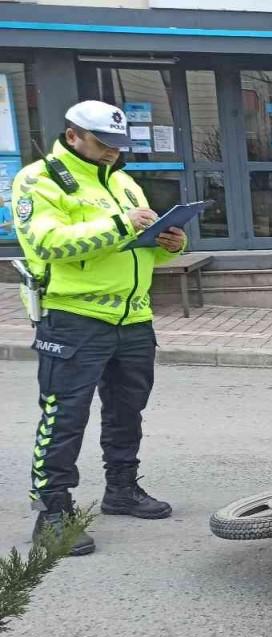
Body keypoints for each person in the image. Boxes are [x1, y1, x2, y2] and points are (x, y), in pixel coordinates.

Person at [11, 100, 187, 556]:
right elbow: (47, 243)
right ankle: (52, 512)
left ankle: (122, 489)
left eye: (118, 144)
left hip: (134, 317)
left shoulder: (125, 182)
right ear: (72, 136)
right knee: (63, 416)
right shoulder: (38, 180)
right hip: (72, 319)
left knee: (128, 410)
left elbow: (140, 248)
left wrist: (169, 243)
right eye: (102, 143)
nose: (113, 152)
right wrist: (121, 224)